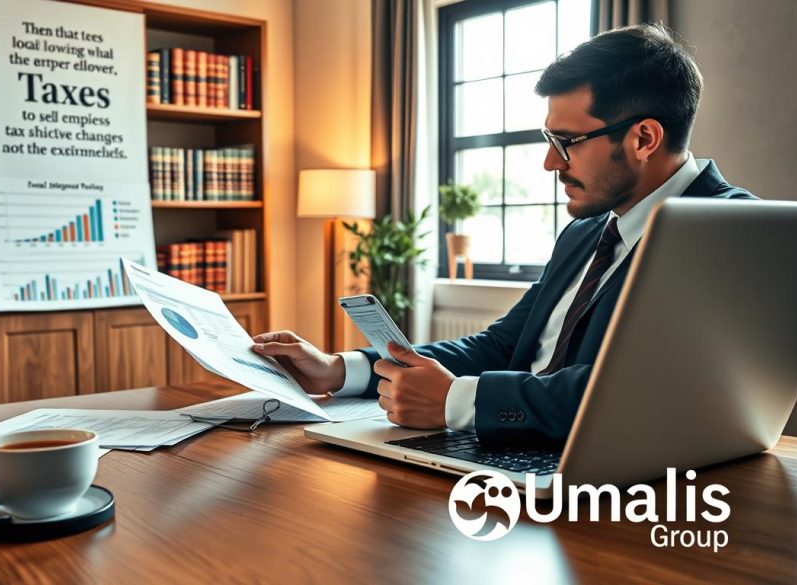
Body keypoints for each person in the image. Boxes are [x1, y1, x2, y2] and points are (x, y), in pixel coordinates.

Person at [252, 23, 756, 446]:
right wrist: (340, 369)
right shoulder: (585, 233)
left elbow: (652, 392)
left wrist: (458, 401)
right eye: (549, 139)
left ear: (644, 138)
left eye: (568, 141)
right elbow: (499, 347)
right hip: (522, 458)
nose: (550, 162)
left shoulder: (733, 231)